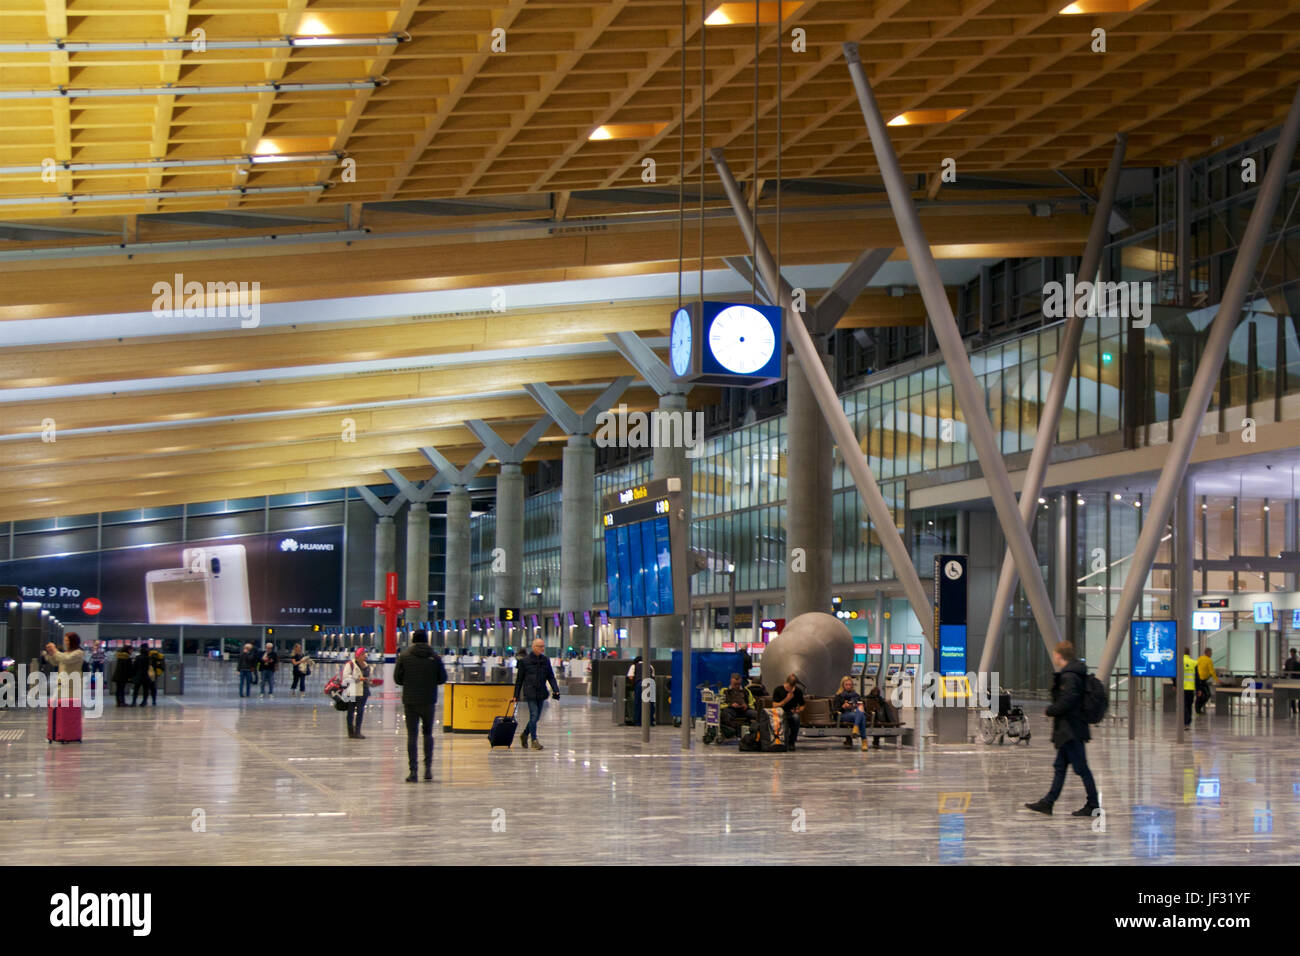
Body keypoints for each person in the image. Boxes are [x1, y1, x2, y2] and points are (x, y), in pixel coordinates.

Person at [1024, 641, 1099, 817]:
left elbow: (1069, 700)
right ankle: (1048, 803)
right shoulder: (1073, 674)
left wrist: (1051, 710)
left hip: (1071, 730)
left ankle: (1093, 805)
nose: (1054, 657)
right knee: (1060, 766)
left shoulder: (1070, 676)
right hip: (1069, 729)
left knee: (1081, 768)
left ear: (1059, 655)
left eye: (1055, 654)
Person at [394, 629, 448, 782]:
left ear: (413, 640)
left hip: (410, 701)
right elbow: (442, 678)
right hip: (428, 700)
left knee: (412, 735)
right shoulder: (435, 657)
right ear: (426, 640)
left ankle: (413, 771)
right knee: (428, 734)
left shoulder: (404, 656)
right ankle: (428, 769)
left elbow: (397, 678)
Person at [513, 637, 560, 750]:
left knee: (536, 718)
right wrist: (516, 695)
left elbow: (550, 676)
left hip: (541, 692)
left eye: (543, 646)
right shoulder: (525, 662)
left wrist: (555, 689)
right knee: (534, 715)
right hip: (530, 692)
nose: (542, 649)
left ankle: (524, 734)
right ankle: (534, 740)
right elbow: (519, 680)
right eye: (540, 646)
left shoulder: (545, 660)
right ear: (534, 647)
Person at [44, 633, 86, 742]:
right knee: (56, 708)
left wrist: (55, 650)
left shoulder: (78, 653)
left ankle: (69, 733)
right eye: (65, 640)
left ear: (73, 641)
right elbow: (55, 661)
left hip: (72, 686)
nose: (65, 642)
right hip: (61, 685)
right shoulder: (65, 653)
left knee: (69, 711)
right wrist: (51, 653)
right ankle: (58, 732)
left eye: (67, 640)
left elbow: (66, 659)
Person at [341, 648, 377, 739]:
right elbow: (345, 676)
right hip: (351, 690)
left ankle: (358, 731)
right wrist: (357, 678)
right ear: (357, 656)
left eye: (365, 654)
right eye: (363, 654)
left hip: (363, 691)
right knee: (350, 711)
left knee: (360, 711)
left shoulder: (367, 666)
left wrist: (372, 682)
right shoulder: (350, 664)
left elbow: (368, 678)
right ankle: (350, 731)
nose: (365, 656)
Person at [834, 675, 870, 751]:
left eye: (850, 684)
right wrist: (843, 707)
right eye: (846, 685)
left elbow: (863, 707)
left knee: (860, 713)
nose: (848, 686)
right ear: (843, 685)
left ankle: (856, 728)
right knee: (861, 715)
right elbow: (836, 710)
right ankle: (864, 741)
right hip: (843, 715)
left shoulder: (856, 696)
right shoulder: (839, 696)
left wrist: (861, 706)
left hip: (855, 714)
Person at [772, 673, 805, 751]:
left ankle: (792, 742)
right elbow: (774, 705)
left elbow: (802, 705)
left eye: (792, 687)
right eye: (789, 687)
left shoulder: (797, 691)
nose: (791, 689)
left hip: (791, 713)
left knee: (796, 717)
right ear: (786, 683)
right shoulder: (778, 690)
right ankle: (778, 741)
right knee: (782, 718)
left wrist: (799, 710)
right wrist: (786, 700)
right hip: (780, 712)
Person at [719, 672, 756, 739]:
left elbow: (752, 704)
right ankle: (736, 731)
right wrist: (730, 705)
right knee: (725, 714)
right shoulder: (724, 691)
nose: (737, 686)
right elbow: (720, 705)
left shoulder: (746, 691)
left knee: (757, 714)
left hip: (744, 710)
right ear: (731, 681)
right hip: (731, 710)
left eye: (738, 684)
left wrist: (746, 706)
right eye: (735, 684)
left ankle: (756, 733)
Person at [627, 656, 656, 726]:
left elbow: (630, 676)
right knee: (650, 704)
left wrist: (634, 682)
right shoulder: (650, 666)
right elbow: (653, 676)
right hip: (650, 683)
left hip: (640, 684)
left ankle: (638, 721)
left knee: (638, 703)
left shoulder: (634, 666)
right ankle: (650, 721)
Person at [1195, 648, 1218, 714]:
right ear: (1207, 653)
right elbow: (1212, 671)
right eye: (1211, 653)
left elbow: (1197, 667)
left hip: (1198, 680)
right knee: (1207, 695)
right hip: (1202, 680)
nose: (1211, 654)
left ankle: (1198, 709)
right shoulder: (1209, 660)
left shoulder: (1200, 658)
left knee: (1200, 695)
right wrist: (1217, 680)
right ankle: (1198, 709)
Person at [131, 642, 154, 707]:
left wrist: (133, 675)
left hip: (138, 675)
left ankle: (134, 702)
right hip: (146, 675)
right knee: (145, 689)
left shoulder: (138, 657)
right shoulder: (149, 658)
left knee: (136, 689)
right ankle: (144, 702)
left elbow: (134, 667)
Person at [1182, 646, 1196, 727]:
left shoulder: (1179, 662)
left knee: (1184, 705)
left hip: (1183, 687)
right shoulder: (1193, 662)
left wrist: (1175, 684)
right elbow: (1197, 676)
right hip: (1191, 687)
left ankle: (1186, 721)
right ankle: (1189, 720)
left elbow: (1175, 675)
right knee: (1189, 704)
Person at [1284, 648, 1300, 715]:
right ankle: (1294, 710)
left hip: (1295, 679)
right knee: (1292, 696)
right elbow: (1286, 670)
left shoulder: (1295, 660)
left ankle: (1295, 709)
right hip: (1294, 679)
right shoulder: (1290, 661)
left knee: (1294, 695)